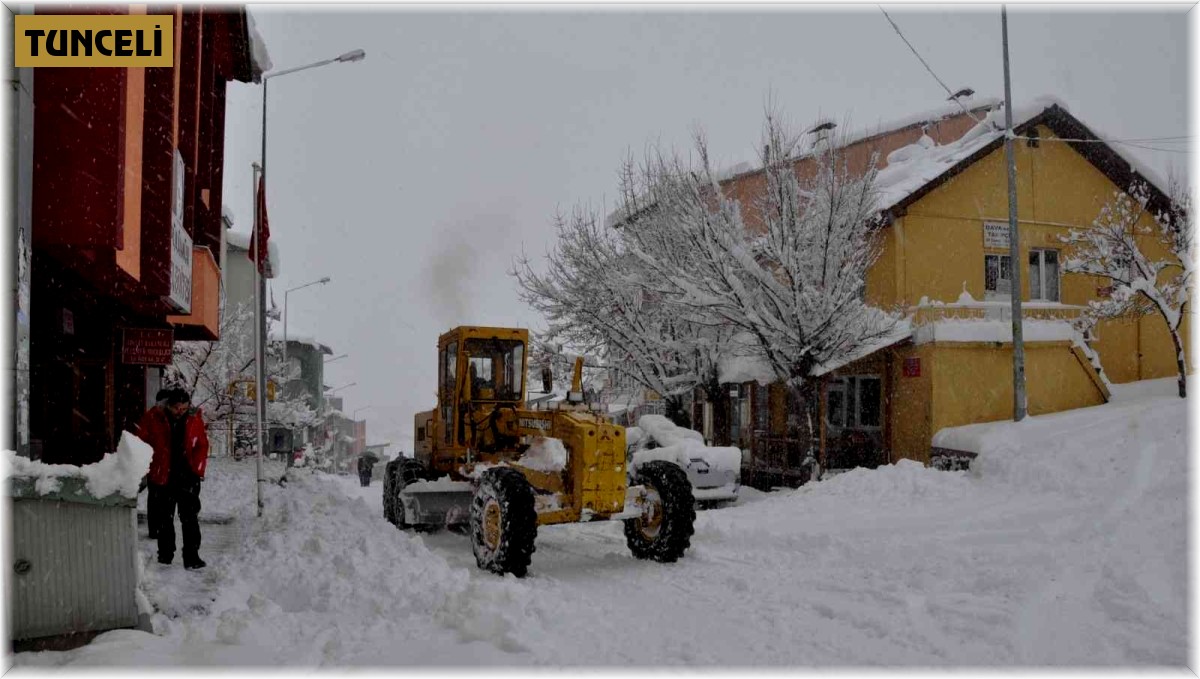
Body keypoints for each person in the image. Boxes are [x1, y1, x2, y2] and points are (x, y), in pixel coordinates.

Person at [136, 387, 210, 569]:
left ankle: (192, 556)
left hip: (187, 476)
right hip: (163, 476)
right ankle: (165, 555)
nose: (180, 412)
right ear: (168, 405)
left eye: (184, 408)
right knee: (164, 519)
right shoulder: (154, 418)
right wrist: (149, 466)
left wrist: (198, 469)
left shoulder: (194, 419)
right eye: (177, 408)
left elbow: (202, 445)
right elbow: (140, 442)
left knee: (190, 518)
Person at [138, 388, 171, 540]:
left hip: (166, 465)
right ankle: (155, 529)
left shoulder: (168, 417)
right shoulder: (150, 417)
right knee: (155, 499)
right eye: (163, 402)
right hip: (155, 465)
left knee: (164, 500)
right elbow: (142, 439)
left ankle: (162, 528)